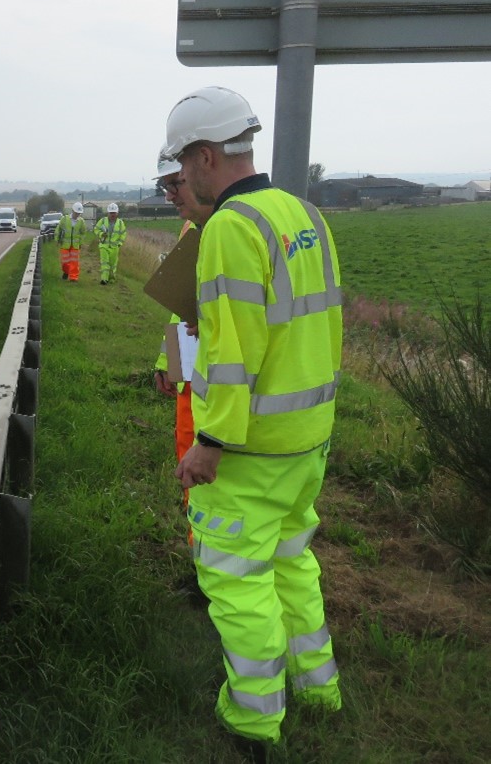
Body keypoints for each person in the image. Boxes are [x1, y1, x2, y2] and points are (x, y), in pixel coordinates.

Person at [163, 85, 343, 751]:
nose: (180, 180)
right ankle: (320, 690)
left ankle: (254, 720)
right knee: (294, 564)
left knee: (238, 586)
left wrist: (208, 444)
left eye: (183, 167)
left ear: (207, 156)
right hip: (307, 443)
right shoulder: (305, 215)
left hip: (248, 450)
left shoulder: (230, 231)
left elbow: (232, 354)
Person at [151, 155, 213, 545]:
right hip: (189, 371)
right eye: (165, 187)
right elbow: (181, 307)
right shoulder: (192, 227)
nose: (171, 196)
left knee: (202, 469)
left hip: (217, 377)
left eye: (177, 184)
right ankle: (199, 552)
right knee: (187, 457)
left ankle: (203, 562)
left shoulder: (225, 229)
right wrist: (167, 363)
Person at [54, 202, 89, 282]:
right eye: (76, 213)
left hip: (75, 245)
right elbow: (58, 229)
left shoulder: (81, 221)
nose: (77, 214)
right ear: (73, 210)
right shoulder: (65, 219)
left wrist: (80, 242)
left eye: (79, 213)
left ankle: (73, 277)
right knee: (65, 262)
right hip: (65, 244)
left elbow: (83, 233)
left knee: (74, 262)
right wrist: (57, 239)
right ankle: (66, 272)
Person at [93, 202, 126, 284]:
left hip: (115, 247)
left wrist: (119, 244)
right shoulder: (103, 221)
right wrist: (101, 234)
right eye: (111, 213)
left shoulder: (120, 223)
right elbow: (96, 229)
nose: (112, 215)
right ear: (108, 213)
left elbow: (123, 234)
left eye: (114, 213)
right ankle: (104, 279)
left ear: (117, 213)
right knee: (105, 262)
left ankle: (111, 278)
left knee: (112, 264)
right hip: (104, 245)